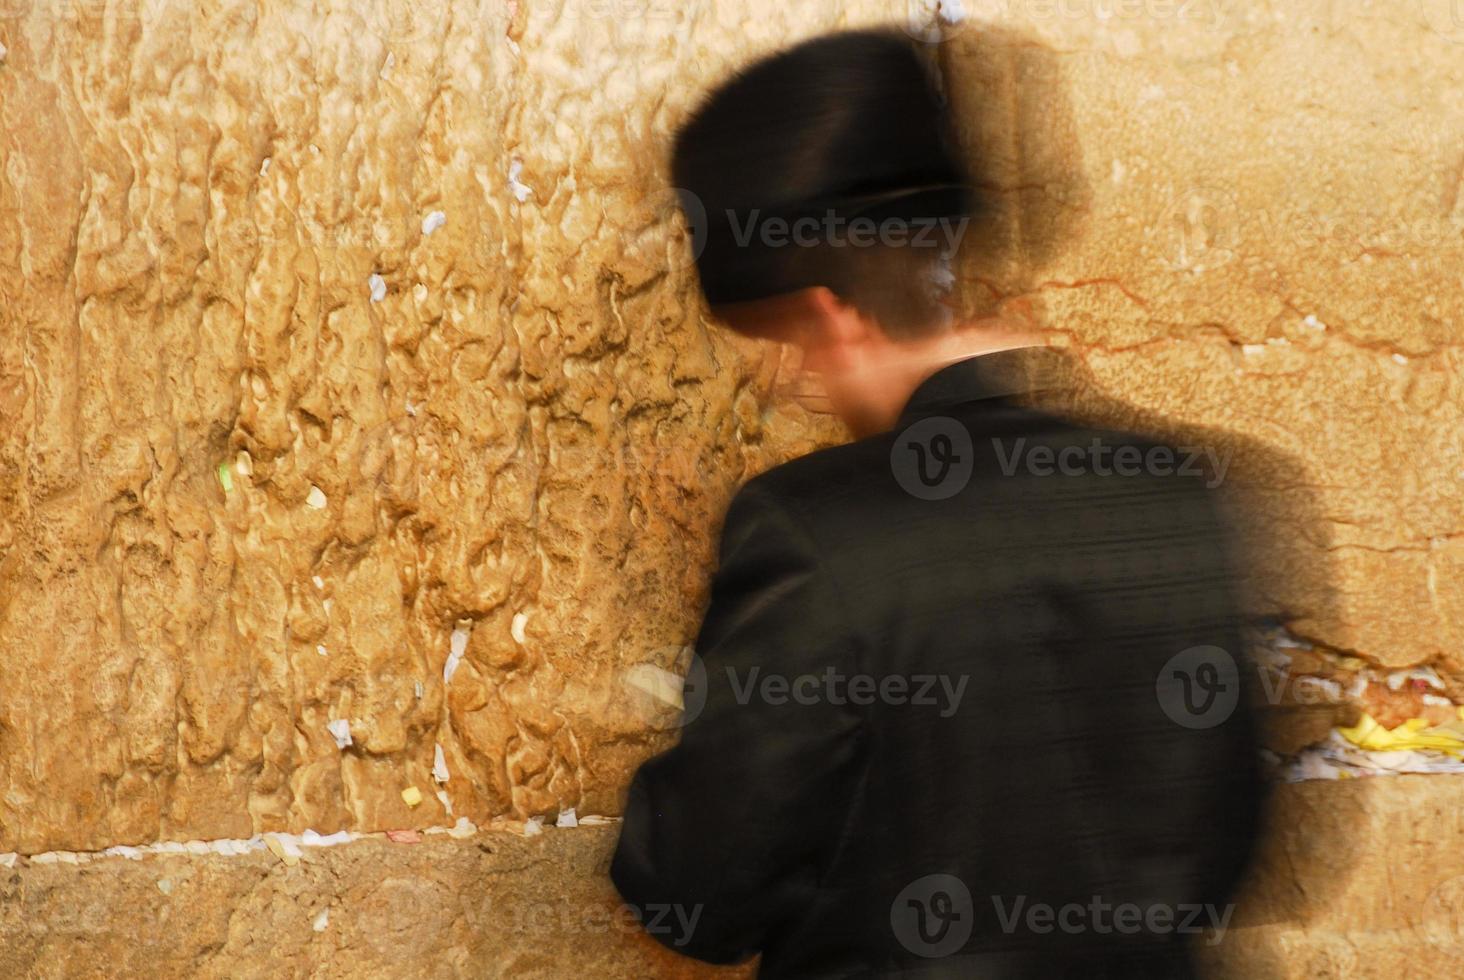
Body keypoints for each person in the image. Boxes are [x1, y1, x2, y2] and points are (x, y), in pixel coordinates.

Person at [611, 28, 1266, 979]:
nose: (796, 383)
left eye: (787, 342)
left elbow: (701, 890)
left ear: (834, 312)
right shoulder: (1183, 495)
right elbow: (1230, 845)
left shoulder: (814, 535)